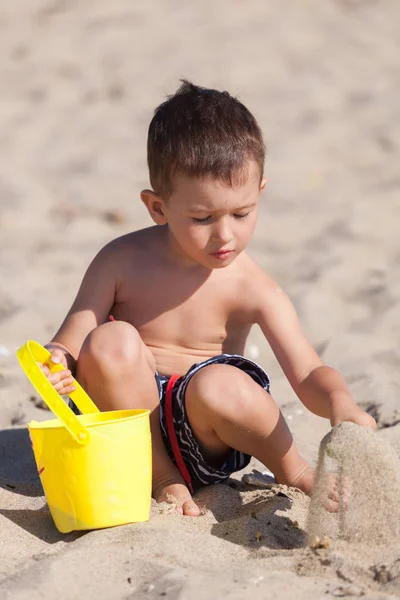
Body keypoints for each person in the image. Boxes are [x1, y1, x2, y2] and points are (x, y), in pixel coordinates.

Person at [39, 80, 376, 517]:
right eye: (202, 218)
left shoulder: (251, 284)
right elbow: (71, 339)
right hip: (126, 428)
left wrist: (339, 402)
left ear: (260, 192)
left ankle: (293, 470)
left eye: (242, 213)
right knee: (108, 341)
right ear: (157, 208)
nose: (225, 235)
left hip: (206, 433)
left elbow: (308, 369)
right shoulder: (120, 260)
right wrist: (57, 361)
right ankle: (161, 477)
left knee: (220, 383)